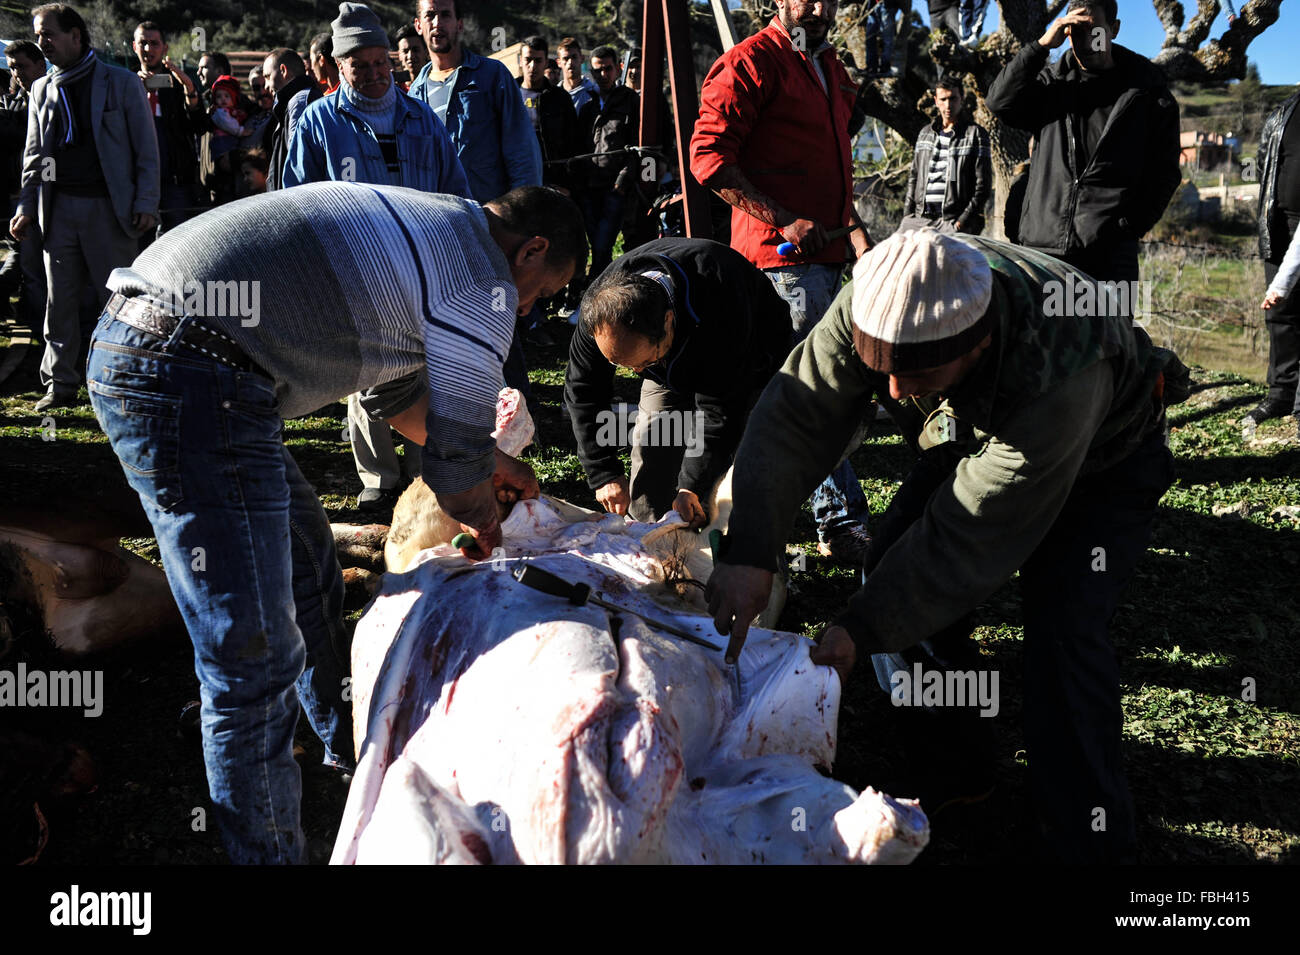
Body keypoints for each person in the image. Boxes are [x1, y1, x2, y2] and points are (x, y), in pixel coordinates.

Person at [88, 181, 586, 864]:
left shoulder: (437, 228)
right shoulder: (483, 278)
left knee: (304, 563)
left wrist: (491, 461)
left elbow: (398, 393)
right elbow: (453, 465)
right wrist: (486, 515)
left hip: (174, 349)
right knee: (250, 655)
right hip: (191, 368)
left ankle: (343, 749)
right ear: (531, 248)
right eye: (542, 290)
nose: (529, 308)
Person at [705, 229, 1179, 864]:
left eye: (917, 373)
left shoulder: (1060, 370)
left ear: (978, 343)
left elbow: (965, 539)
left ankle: (1092, 839)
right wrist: (752, 551)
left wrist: (860, 628)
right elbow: (796, 415)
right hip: (968, 426)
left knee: (1065, 636)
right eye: (884, 372)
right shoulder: (880, 298)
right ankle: (956, 769)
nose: (895, 395)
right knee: (888, 565)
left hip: (1104, 460)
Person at [690, 0, 874, 564]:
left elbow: (837, 158)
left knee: (804, 390)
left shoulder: (829, 66)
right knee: (816, 391)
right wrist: (784, 219)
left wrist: (860, 240)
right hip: (783, 260)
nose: (817, 7)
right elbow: (707, 157)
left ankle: (740, 507)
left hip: (830, 257)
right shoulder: (750, 61)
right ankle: (839, 521)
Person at [285, 1, 472, 514]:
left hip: (421, 268)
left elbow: (455, 192)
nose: (372, 74)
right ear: (338, 67)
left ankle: (422, 469)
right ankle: (377, 475)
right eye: (358, 66)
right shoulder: (319, 122)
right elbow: (295, 200)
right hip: (354, 272)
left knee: (424, 366)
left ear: (391, 60)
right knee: (364, 372)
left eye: (379, 63)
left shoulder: (421, 119)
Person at [565, 238, 793, 524]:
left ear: (669, 320)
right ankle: (648, 542)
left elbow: (720, 413)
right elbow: (583, 390)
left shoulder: (721, 299)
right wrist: (603, 473)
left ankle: (735, 551)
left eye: (645, 363)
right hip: (674, 354)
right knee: (656, 437)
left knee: (736, 466)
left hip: (752, 353)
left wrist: (691, 486)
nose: (636, 373)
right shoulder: (598, 312)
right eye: (623, 365)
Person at [12, 3, 159, 412]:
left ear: (76, 36)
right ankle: (60, 384)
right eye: (39, 35)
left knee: (119, 302)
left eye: (49, 34)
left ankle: (124, 381)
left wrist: (147, 201)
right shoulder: (43, 88)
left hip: (109, 211)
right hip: (58, 211)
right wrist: (27, 205)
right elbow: (35, 155)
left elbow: (146, 149)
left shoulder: (121, 83)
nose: (42, 43)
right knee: (60, 304)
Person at [986, 0, 1181, 284]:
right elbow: (998, 102)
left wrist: (1128, 228)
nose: (1086, 42)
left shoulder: (1150, 95)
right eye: (1075, 32)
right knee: (1040, 330)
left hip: (1109, 259)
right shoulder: (1050, 86)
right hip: (1042, 253)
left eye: (1094, 31)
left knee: (1110, 330)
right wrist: (1041, 46)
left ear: (1114, 29)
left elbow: (1164, 173)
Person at [407, 0, 542, 204]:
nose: (437, 23)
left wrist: (522, 214)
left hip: (490, 218)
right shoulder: (415, 95)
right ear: (418, 25)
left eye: (445, 15)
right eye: (430, 15)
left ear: (459, 24)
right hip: (439, 220)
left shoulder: (492, 76)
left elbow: (523, 150)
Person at [1247, 86, 1300, 432]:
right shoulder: (1285, 109)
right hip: (1279, 222)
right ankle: (1281, 392)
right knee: (1279, 314)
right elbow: (1263, 161)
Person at [132, 21, 205, 235]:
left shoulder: (178, 83)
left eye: (154, 43)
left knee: (179, 241)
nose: (148, 49)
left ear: (165, 48)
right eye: (143, 43)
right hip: (138, 183)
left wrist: (190, 90)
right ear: (134, 47)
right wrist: (134, 90)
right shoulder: (125, 84)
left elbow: (200, 125)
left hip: (176, 182)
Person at [574, 46, 638, 286]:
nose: (603, 75)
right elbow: (580, 146)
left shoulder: (630, 101)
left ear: (618, 68)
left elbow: (637, 144)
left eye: (607, 69)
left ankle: (598, 293)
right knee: (596, 246)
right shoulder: (587, 105)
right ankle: (598, 293)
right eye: (597, 70)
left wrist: (623, 180)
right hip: (589, 186)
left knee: (603, 244)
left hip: (614, 186)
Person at [902, 75, 991, 233]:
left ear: (961, 99)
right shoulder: (925, 133)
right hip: (919, 219)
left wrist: (962, 221)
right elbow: (914, 176)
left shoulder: (975, 134)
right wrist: (908, 215)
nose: (948, 105)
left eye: (953, 99)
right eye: (943, 99)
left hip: (952, 222)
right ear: (936, 100)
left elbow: (983, 185)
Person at [0, 40, 46, 326]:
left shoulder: (55, 97)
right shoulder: (15, 102)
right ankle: (36, 321)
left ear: (40, 65)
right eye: (13, 68)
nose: (17, 73)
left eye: (22, 66)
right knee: (28, 261)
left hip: (51, 193)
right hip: (21, 194)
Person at [262, 47, 322, 191]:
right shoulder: (297, 99)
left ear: (283, 70)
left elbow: (299, 163)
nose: (266, 86)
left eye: (268, 76)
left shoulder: (299, 102)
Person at [556, 36, 598, 113]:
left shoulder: (595, 94)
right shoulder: (552, 96)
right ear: (558, 62)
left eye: (574, 57)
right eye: (566, 58)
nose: (570, 62)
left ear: (582, 59)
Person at [394, 22, 427, 89]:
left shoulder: (436, 86)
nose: (410, 56)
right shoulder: (395, 91)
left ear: (426, 52)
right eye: (405, 51)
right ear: (399, 55)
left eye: (416, 50)